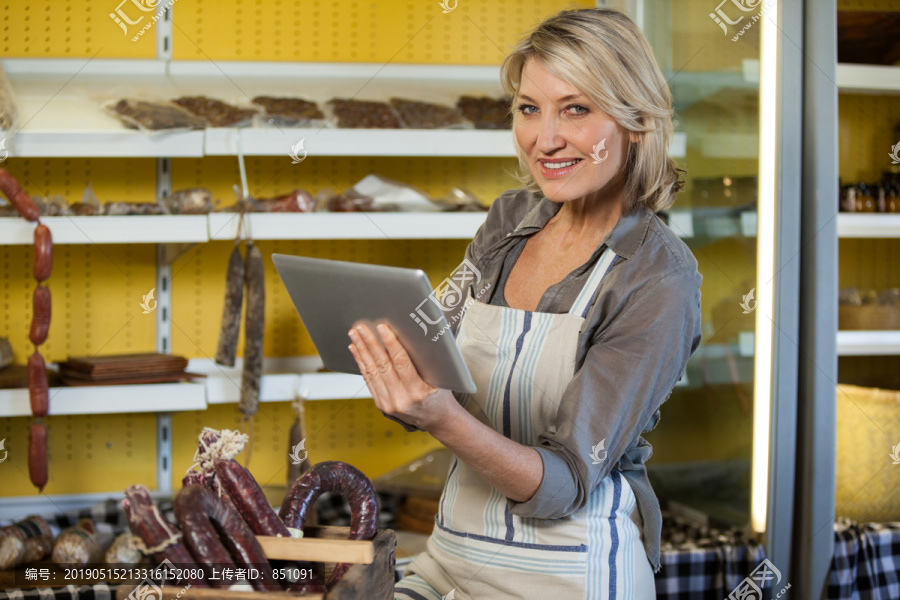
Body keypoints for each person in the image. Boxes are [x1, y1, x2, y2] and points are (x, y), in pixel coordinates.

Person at [348, 7, 702, 599]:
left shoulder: (657, 278)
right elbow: (434, 356)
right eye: (530, 108)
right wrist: (397, 376)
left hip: (571, 573)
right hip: (449, 557)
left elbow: (561, 484)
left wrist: (439, 416)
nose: (546, 139)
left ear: (636, 121)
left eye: (577, 109)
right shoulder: (509, 221)